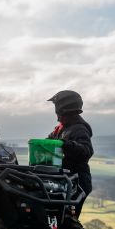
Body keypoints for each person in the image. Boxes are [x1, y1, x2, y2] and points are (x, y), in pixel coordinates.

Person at [47, 90, 93, 218]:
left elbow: (86, 151)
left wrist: (65, 144)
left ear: (62, 108)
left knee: (67, 220)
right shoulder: (62, 128)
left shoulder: (79, 128)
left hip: (77, 182)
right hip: (65, 180)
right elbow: (48, 142)